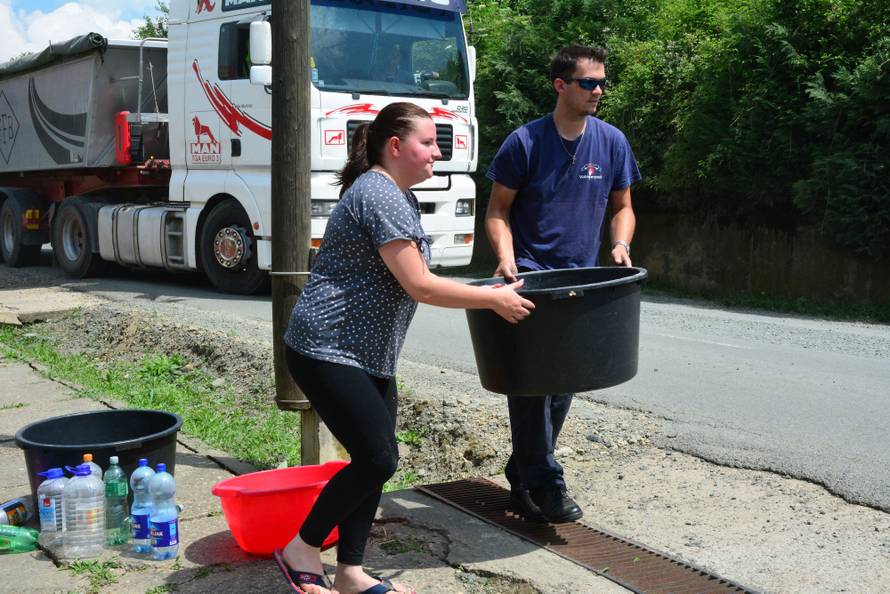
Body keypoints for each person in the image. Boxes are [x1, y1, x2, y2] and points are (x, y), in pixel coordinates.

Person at [275, 102, 535, 594]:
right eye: (428, 142)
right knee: (377, 458)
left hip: (366, 353)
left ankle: (350, 573)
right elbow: (420, 285)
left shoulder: (396, 194)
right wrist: (491, 300)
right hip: (327, 348)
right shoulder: (379, 193)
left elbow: (417, 278)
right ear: (395, 146)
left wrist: (486, 290)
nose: (438, 152)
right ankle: (301, 548)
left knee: (374, 459)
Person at [485, 45, 641, 523]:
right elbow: (497, 211)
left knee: (562, 386)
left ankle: (523, 475)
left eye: (602, 83)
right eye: (588, 83)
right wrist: (507, 259)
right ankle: (548, 484)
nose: (598, 91)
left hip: (581, 282)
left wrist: (619, 244)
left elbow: (623, 208)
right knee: (531, 385)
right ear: (560, 85)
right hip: (530, 279)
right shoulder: (525, 143)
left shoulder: (612, 142)